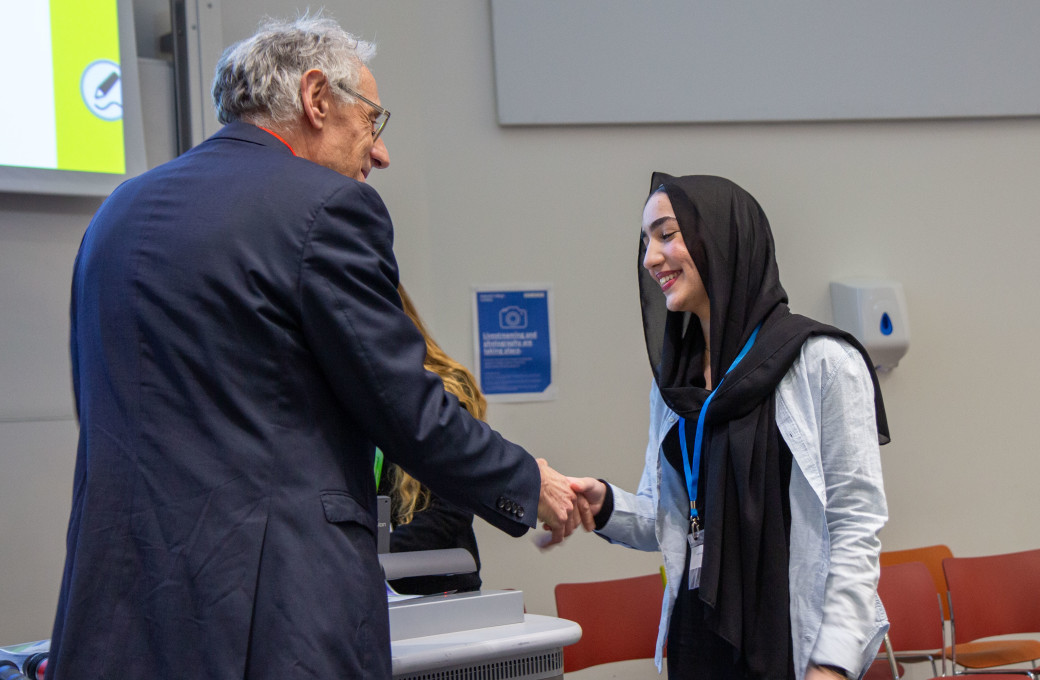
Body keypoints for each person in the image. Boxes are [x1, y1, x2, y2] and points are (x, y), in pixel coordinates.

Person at [47, 14, 582, 680]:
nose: (379, 152)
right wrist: (531, 483)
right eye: (372, 120)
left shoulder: (115, 216)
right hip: (272, 624)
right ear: (316, 98)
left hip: (118, 619)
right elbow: (405, 408)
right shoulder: (326, 207)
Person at [570, 174, 890, 680]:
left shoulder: (823, 362)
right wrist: (604, 504)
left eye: (667, 234)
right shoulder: (673, 386)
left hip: (788, 648)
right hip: (698, 640)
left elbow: (854, 523)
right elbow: (671, 518)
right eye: (645, 242)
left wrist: (832, 663)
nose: (651, 258)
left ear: (722, 239)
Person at [379, 285, 486, 595]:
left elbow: (451, 512)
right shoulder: (359, 396)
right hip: (378, 591)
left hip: (440, 587)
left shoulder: (447, 389)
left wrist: (367, 554)